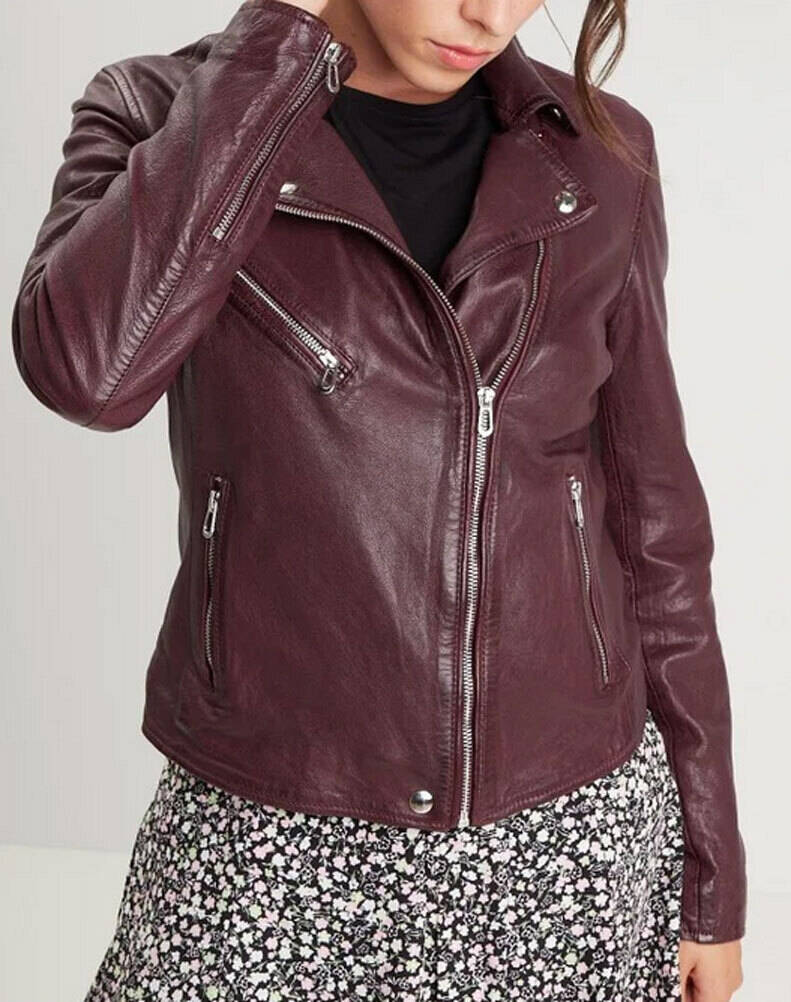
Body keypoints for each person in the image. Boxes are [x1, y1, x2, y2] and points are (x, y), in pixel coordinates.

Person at [11, 0, 747, 999]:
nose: (489, 15)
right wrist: (271, 53)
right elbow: (90, 375)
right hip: (267, 827)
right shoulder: (162, 111)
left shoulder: (599, 153)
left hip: (563, 833)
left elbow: (656, 527)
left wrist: (709, 877)